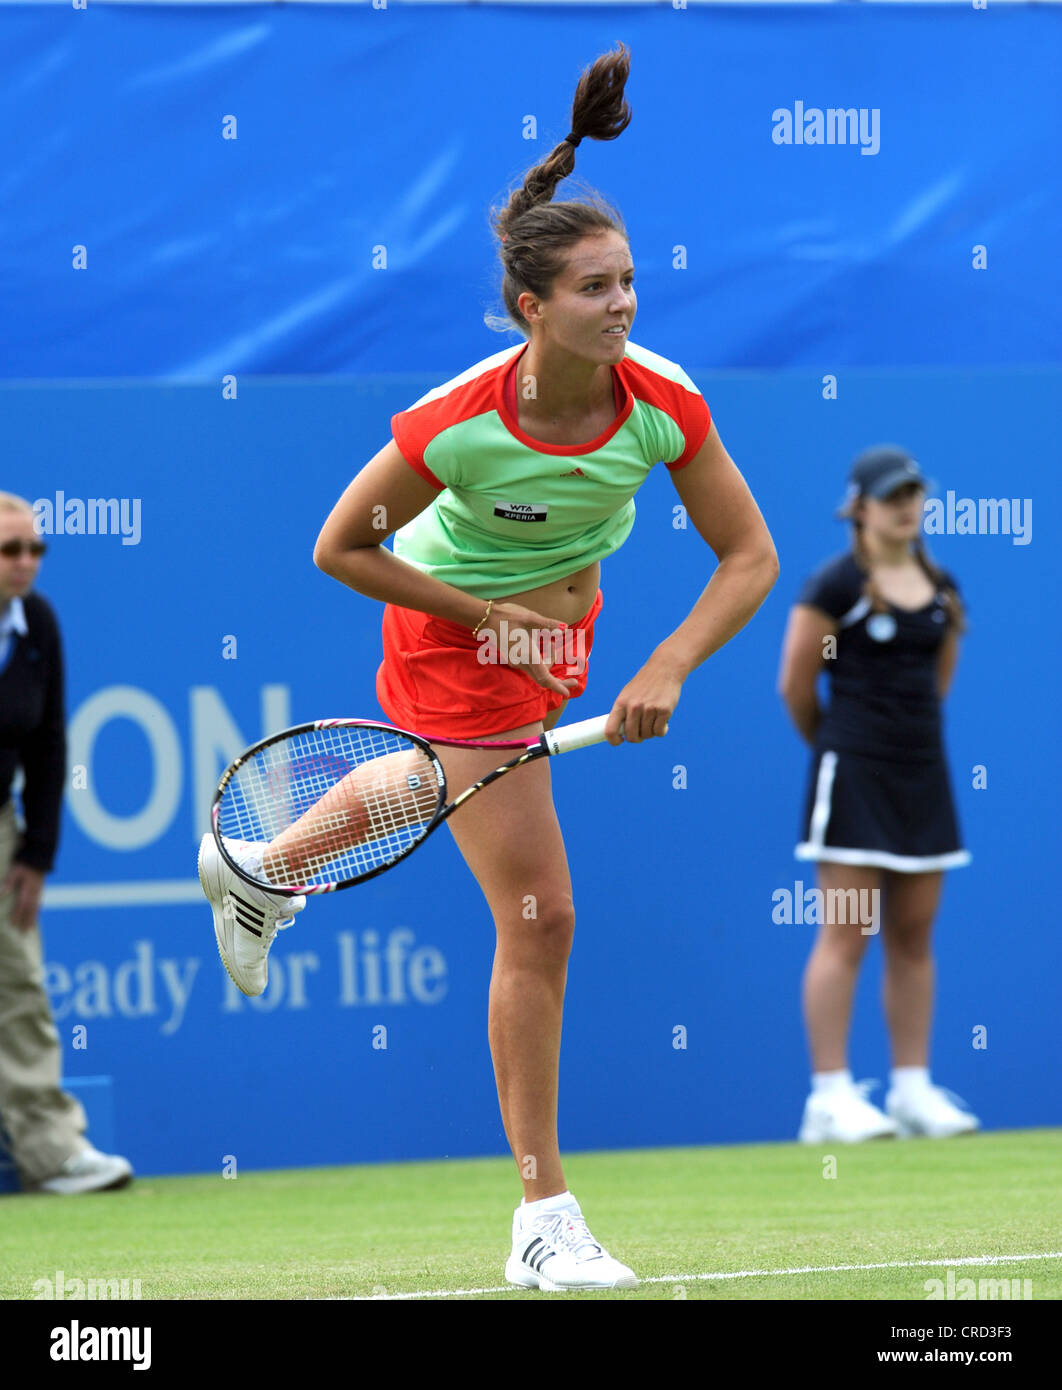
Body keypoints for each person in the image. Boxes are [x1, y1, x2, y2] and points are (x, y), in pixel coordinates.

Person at [199, 44, 778, 1289]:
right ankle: (542, 1220)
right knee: (544, 914)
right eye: (592, 289)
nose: (622, 305)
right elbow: (339, 545)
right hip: (454, 632)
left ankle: (261, 867)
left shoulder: (661, 402)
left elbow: (748, 558)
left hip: (558, 637)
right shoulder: (460, 418)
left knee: (419, 783)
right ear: (531, 306)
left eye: (629, 283)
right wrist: (485, 616)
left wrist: (667, 663)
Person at [778, 447, 979, 1144]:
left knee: (914, 933)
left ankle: (912, 1090)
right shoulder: (833, 586)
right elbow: (797, 688)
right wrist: (840, 752)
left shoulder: (943, 588)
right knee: (847, 931)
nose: (905, 505)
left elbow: (939, 685)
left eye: (914, 493)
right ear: (859, 507)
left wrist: (901, 750)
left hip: (922, 776)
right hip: (854, 777)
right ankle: (829, 1098)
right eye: (891, 494)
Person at [0, 491, 133, 1193]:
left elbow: (50, 744)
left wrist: (35, 853)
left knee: (17, 984)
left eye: (34, 549)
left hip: (1, 828)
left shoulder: (38, 624)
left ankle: (51, 1151)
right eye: (9, 550)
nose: (26, 563)